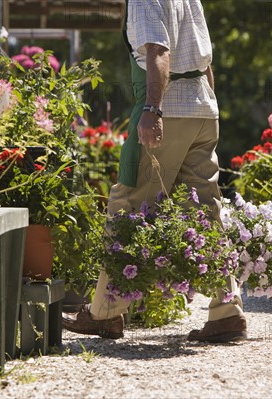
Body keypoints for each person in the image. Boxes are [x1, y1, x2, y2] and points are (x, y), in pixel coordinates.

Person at [62, 0, 247, 343]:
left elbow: (158, 52)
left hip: (168, 110)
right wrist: (206, 109)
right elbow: (206, 64)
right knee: (205, 209)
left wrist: (152, 110)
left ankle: (105, 312)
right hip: (204, 111)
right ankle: (227, 312)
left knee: (127, 205)